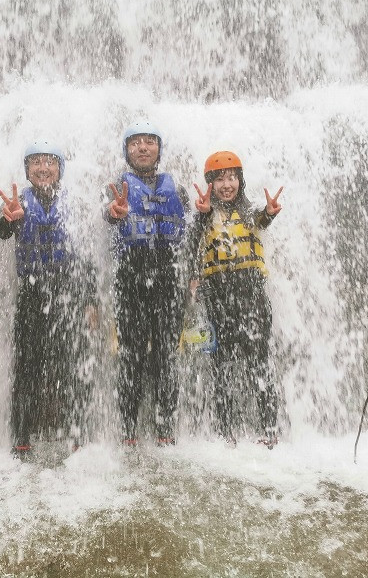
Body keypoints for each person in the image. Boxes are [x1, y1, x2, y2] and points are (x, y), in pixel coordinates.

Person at [0, 141, 97, 458]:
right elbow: (0, 231)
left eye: (49, 162)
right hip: (32, 292)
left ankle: (77, 432)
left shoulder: (74, 205)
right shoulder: (16, 202)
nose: (42, 168)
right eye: (35, 163)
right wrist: (9, 220)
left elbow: (86, 257)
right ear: (27, 170)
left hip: (68, 290)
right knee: (26, 366)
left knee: (71, 363)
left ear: (59, 169)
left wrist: (91, 300)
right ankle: (21, 436)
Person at [104, 121, 190, 446]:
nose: (142, 147)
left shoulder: (177, 190)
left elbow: (189, 234)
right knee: (132, 354)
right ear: (127, 151)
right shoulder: (115, 187)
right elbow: (107, 216)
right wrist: (114, 213)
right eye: (135, 142)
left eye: (149, 142)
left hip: (167, 276)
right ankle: (128, 430)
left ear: (158, 149)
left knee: (166, 355)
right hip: (130, 275)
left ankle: (165, 429)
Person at [190, 151, 283, 448]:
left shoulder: (250, 212)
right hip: (218, 297)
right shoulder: (204, 218)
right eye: (219, 179)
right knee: (222, 367)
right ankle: (226, 433)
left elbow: (263, 221)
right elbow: (193, 240)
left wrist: (270, 212)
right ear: (210, 184)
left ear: (240, 181)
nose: (226, 184)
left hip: (252, 294)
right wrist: (202, 213)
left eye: (231, 178)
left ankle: (270, 430)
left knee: (259, 363)